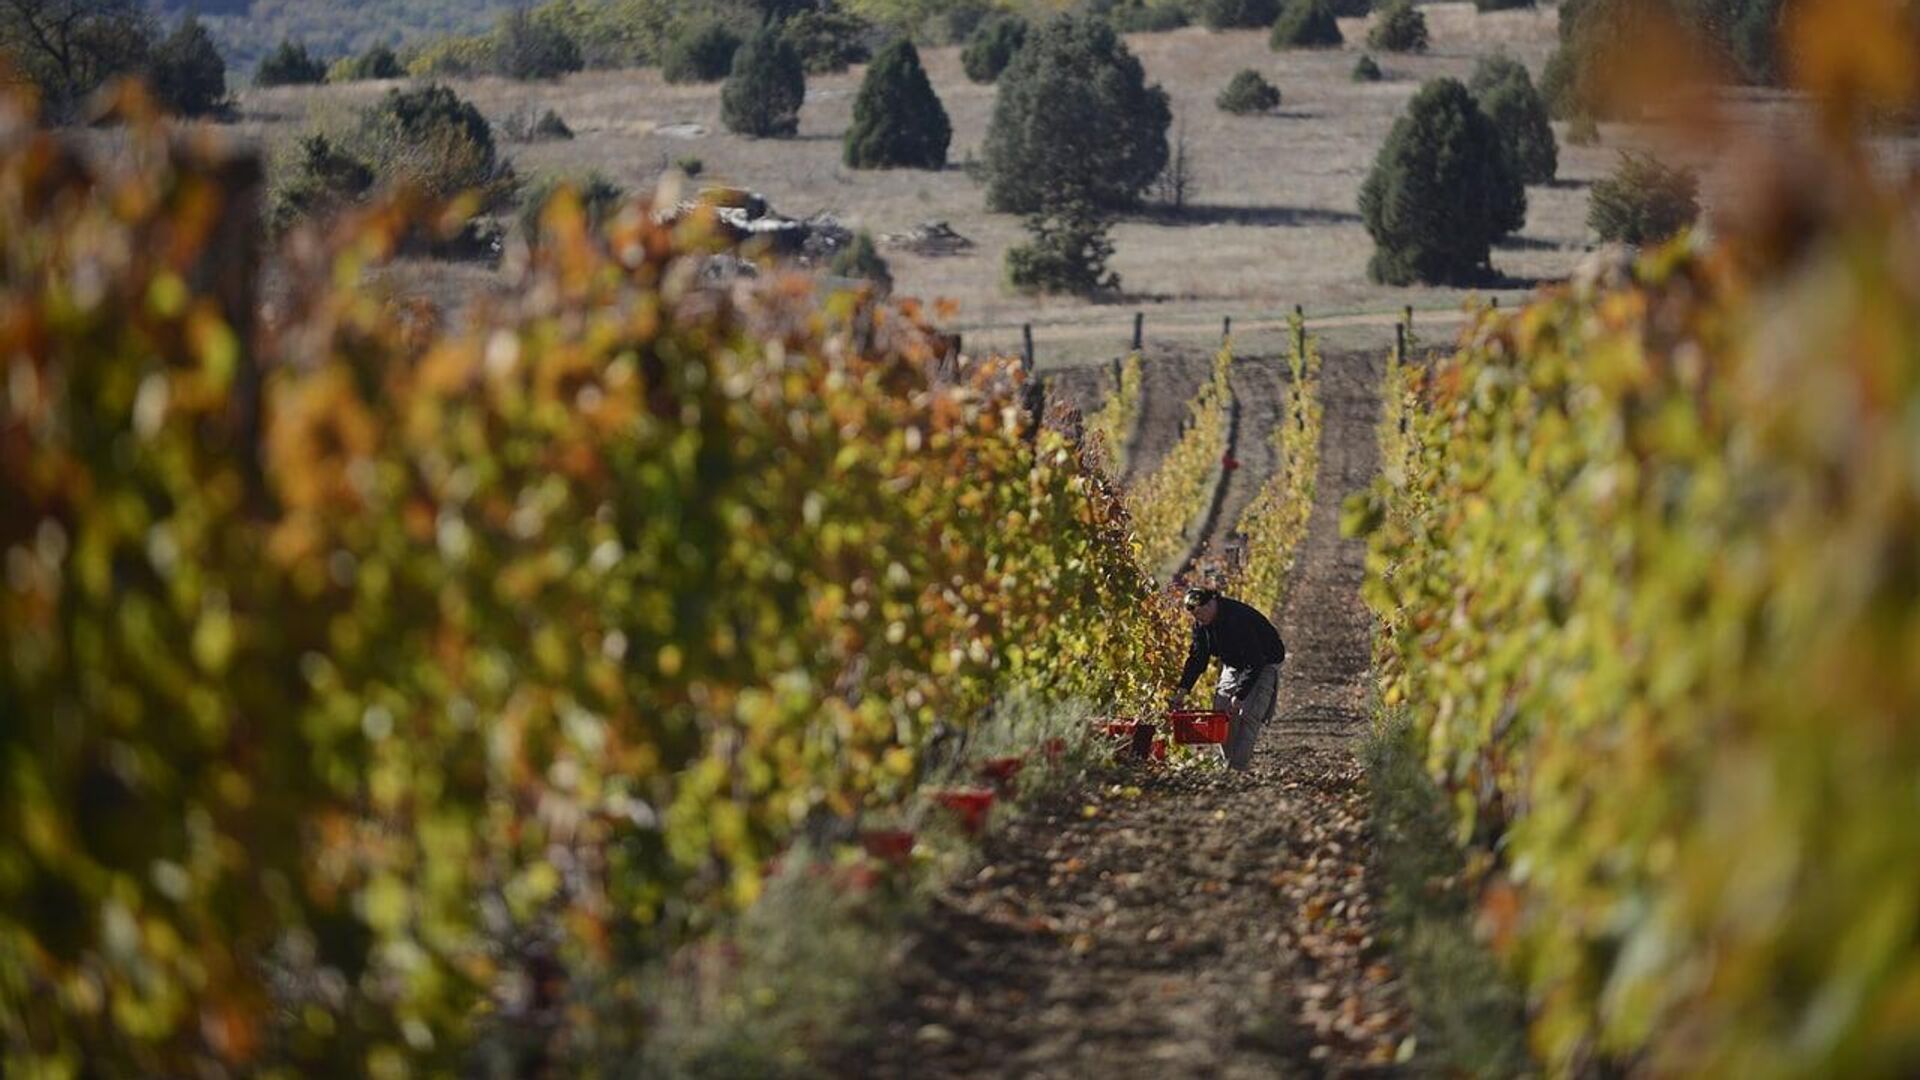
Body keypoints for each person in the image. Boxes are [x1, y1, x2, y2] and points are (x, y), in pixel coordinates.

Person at [1171, 586, 1285, 771]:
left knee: (1248, 715)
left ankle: (1237, 769)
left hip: (1263, 663)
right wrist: (1182, 690)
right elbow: (1197, 659)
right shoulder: (1202, 625)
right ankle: (1230, 762)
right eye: (1194, 615)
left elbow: (1254, 661)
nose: (1198, 619)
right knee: (1222, 714)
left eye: (1200, 613)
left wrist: (1239, 696)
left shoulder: (1237, 619)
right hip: (1233, 663)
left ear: (1211, 604)